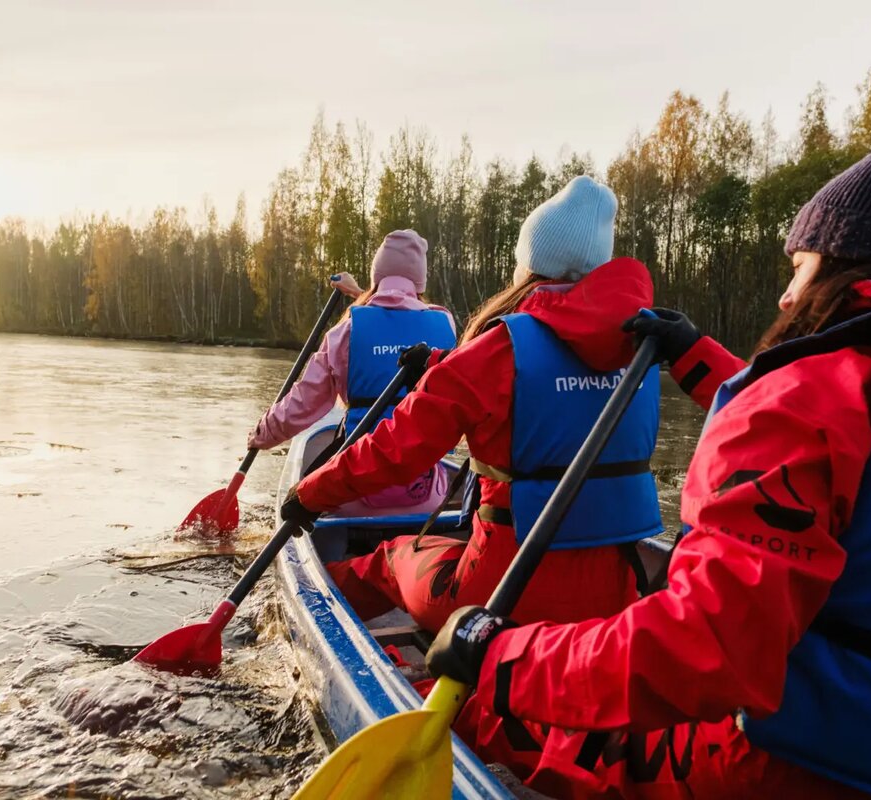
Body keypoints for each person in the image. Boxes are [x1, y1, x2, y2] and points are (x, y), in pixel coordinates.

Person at [426, 112, 871, 800]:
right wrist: (694, 353)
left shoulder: (810, 395)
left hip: (763, 769)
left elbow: (701, 652)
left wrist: (502, 659)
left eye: (801, 265)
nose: (788, 294)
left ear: (850, 262)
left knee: (511, 716)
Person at [281, 176, 667, 633]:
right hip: (615, 599)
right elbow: (544, 376)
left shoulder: (496, 350)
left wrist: (310, 493)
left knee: (389, 559)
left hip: (499, 597)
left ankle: (297, 621)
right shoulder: (641, 347)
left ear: (531, 264)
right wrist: (444, 363)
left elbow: (395, 451)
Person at [247, 229, 457, 517]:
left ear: (376, 277)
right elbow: (402, 313)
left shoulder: (344, 332)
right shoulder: (445, 324)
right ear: (420, 280)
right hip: (424, 494)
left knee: (325, 490)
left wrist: (263, 432)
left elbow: (305, 403)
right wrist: (360, 293)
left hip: (355, 492)